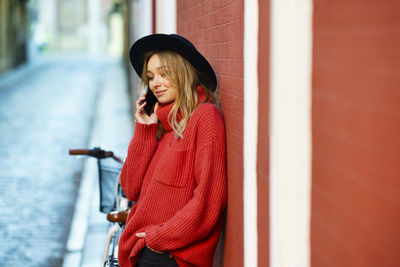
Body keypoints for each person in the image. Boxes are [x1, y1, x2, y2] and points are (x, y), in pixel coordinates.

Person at [118, 34, 227, 267]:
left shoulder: (205, 118)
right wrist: (143, 131)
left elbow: (209, 200)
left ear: (183, 73)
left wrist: (158, 237)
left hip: (171, 256)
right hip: (145, 251)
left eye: (164, 73)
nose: (155, 83)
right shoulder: (161, 127)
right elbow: (130, 188)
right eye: (150, 77)